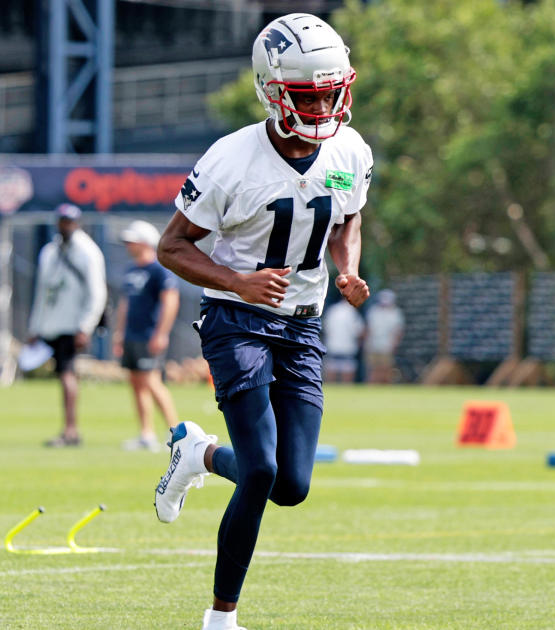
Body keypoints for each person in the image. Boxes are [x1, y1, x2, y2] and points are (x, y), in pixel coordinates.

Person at [151, 13, 372, 630]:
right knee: (263, 471)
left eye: (332, 92)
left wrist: (347, 268)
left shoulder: (350, 149)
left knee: (293, 484)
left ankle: (199, 453)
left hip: (301, 324)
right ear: (273, 91)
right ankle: (221, 617)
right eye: (309, 96)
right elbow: (173, 246)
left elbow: (348, 215)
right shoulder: (230, 160)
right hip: (237, 319)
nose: (325, 106)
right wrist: (238, 281)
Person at [27, 202, 106, 447]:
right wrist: (35, 326)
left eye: (69, 221)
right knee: (62, 374)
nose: (65, 226)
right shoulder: (50, 251)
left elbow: (97, 292)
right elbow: (42, 291)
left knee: (67, 373)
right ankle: (69, 429)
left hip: (72, 324)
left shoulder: (87, 251)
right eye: (62, 221)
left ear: (77, 223)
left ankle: (71, 431)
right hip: (52, 323)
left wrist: (85, 325)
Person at [113, 220, 181, 451]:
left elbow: (170, 301)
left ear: (144, 242)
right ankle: (146, 434)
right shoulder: (131, 269)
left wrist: (161, 333)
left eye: (132, 240)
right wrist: (119, 334)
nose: (128, 245)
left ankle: (177, 433)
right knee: (136, 383)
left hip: (148, 334)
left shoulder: (158, 270)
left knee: (152, 382)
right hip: (131, 335)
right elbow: (125, 304)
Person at [363, 289, 404, 384]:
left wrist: (394, 345)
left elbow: (398, 331)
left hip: (387, 345)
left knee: (386, 370)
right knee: (373, 370)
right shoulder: (374, 311)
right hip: (373, 345)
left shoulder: (396, 313)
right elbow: (369, 329)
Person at [321, 296, 364, 383]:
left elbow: (326, 328)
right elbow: (359, 332)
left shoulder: (332, 310)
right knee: (347, 380)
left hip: (332, 347)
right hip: (348, 348)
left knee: (330, 380)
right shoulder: (353, 312)